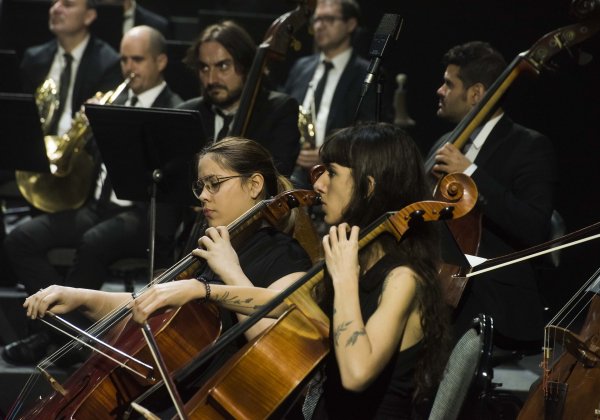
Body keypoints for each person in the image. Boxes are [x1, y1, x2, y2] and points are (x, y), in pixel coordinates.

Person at [16, 138, 312, 372]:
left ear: (255, 185)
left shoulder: (286, 256)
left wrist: (227, 272)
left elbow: (276, 348)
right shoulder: (212, 246)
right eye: (200, 186)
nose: (204, 196)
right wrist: (80, 297)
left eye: (215, 184)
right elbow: (150, 302)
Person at [2, 25, 184, 366]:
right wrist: (88, 127)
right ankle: (70, 337)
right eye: (124, 60)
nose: (130, 68)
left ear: (160, 61)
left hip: (145, 214)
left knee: (94, 240)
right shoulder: (113, 101)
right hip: (99, 207)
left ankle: (52, 339)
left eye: (138, 59)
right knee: (21, 239)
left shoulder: (174, 108)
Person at [430, 41, 558, 348]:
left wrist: (472, 174)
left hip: (490, 294)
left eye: (449, 84)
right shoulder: (446, 142)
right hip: (440, 287)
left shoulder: (528, 146)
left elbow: (534, 226)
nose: (439, 90)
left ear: (475, 94)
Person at [178, 21, 301, 177]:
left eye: (222, 66)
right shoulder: (187, 113)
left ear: (245, 65)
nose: (211, 80)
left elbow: (275, 179)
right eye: (204, 68)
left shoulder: (278, 110)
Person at [282, 0, 377, 188]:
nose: (319, 26)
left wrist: (327, 154)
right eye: (316, 20)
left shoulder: (366, 74)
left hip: (339, 179)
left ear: (350, 24)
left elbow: (369, 133)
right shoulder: (301, 67)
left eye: (329, 19)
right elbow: (283, 118)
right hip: (293, 175)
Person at [19, 0, 122, 137]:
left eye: (67, 5)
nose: (56, 9)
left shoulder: (108, 63)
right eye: (54, 3)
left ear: (89, 16)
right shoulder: (34, 58)